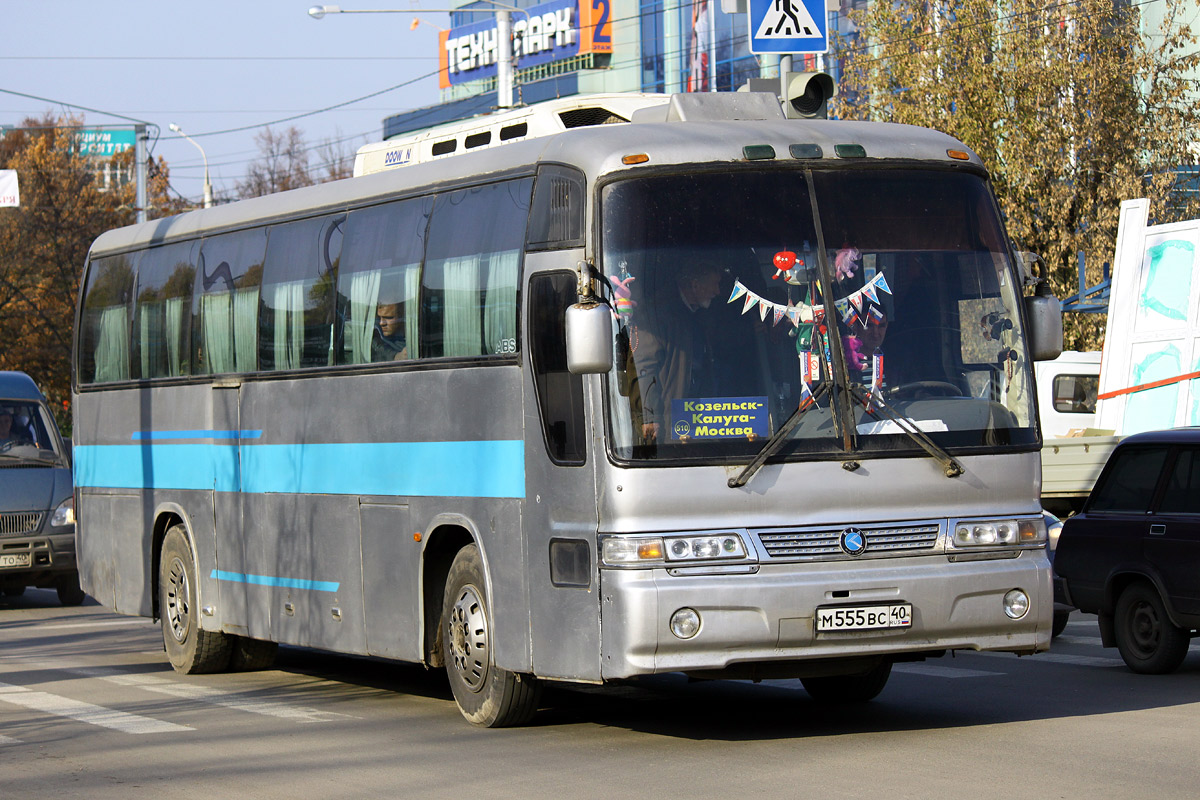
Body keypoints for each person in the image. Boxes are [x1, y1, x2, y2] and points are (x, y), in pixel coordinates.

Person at [634, 261, 723, 443]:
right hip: (671, 423)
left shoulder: (698, 315)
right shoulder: (658, 316)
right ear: (695, 285)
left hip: (698, 416)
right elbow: (644, 369)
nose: (718, 292)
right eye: (714, 284)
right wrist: (650, 418)